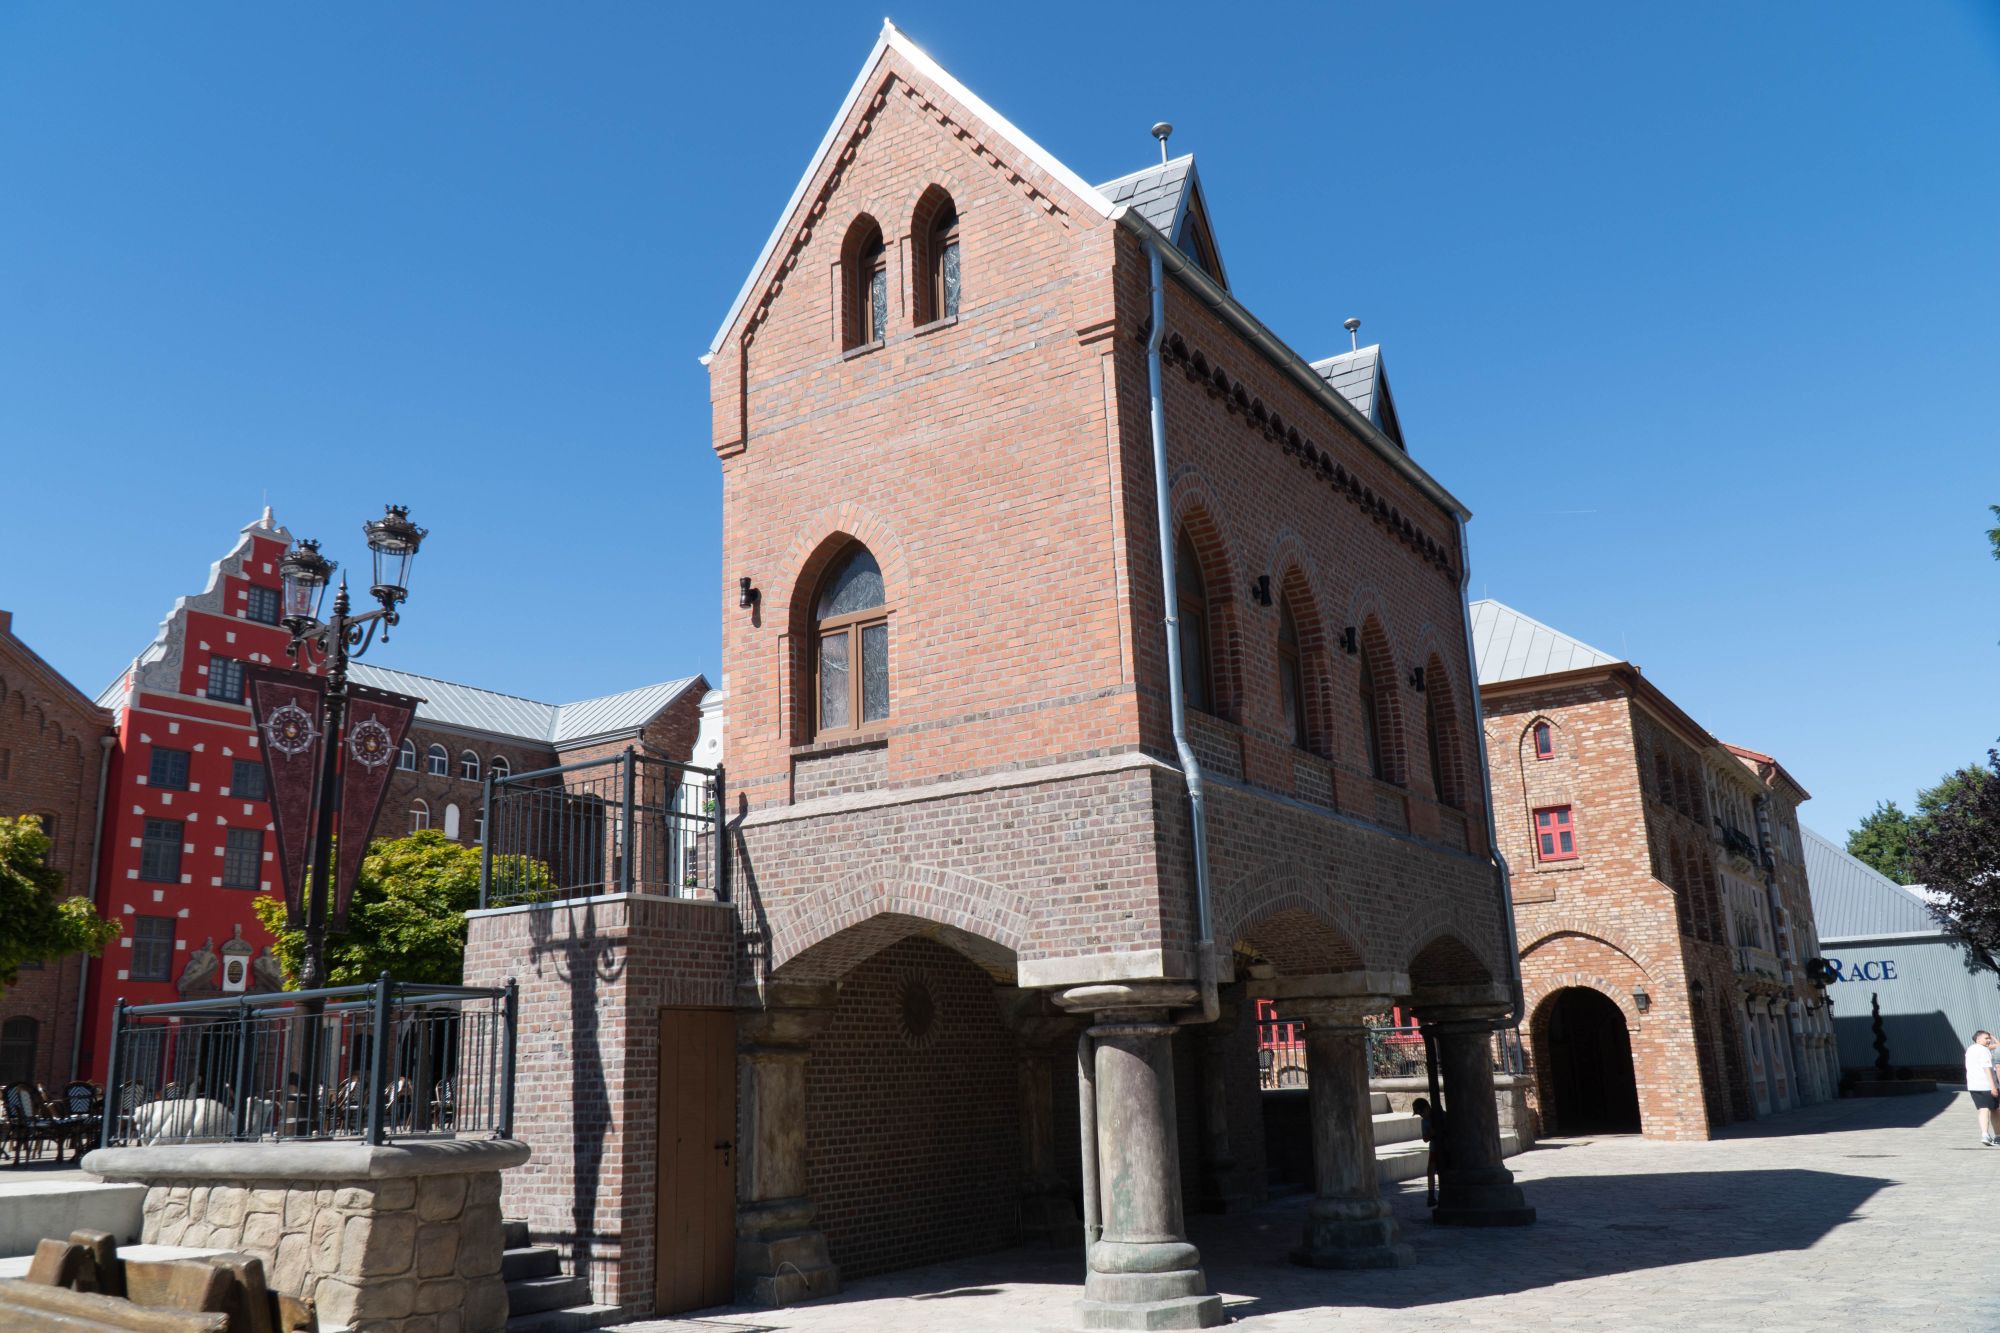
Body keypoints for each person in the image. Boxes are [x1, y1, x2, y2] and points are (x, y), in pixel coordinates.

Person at [1967, 1030, 1999, 1146]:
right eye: (1986, 1038)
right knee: (1995, 1110)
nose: (1989, 1040)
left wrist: (1993, 1039)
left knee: (1982, 1109)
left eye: (1989, 1038)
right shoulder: (1984, 1051)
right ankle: (1997, 1136)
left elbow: (1996, 1046)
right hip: (1986, 1085)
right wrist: (1993, 1087)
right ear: (1978, 1039)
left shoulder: (1970, 1049)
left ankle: (1985, 1134)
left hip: (1973, 1085)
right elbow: (1987, 1069)